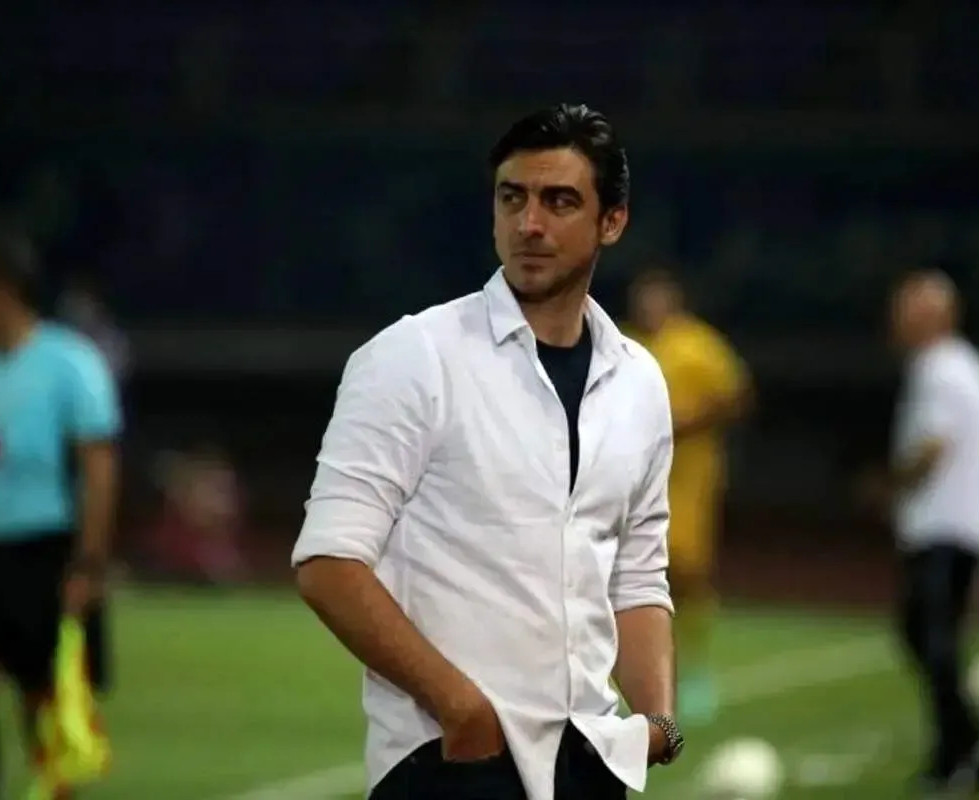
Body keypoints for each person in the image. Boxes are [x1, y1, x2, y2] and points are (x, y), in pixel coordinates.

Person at [292, 103, 683, 800]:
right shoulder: (413, 356)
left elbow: (637, 574)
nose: (529, 223)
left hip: (593, 760)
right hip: (450, 762)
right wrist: (461, 709)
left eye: (559, 201)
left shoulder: (640, 382)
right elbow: (328, 562)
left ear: (612, 221)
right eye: (512, 198)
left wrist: (658, 724)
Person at [0, 228, 122, 800]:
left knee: (41, 701)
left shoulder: (68, 362)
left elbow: (98, 466)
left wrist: (88, 563)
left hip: (45, 549)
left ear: (2, 289)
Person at [886, 271, 979, 794]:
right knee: (930, 638)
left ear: (933, 316)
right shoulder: (969, 366)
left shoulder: (938, 369)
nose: (894, 320)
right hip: (966, 526)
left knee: (932, 641)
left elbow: (933, 446)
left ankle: (962, 752)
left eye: (904, 309)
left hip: (944, 528)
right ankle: (968, 743)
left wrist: (891, 484)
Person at [626, 267, 751, 721]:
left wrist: (687, 424)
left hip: (688, 478)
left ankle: (695, 668)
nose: (649, 308)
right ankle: (636, 669)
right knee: (624, 571)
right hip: (631, 478)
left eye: (657, 299)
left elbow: (737, 396)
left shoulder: (699, 345)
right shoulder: (625, 344)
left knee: (686, 572)